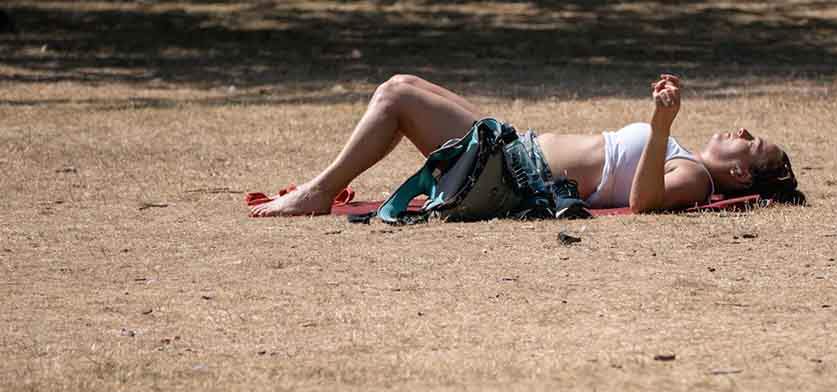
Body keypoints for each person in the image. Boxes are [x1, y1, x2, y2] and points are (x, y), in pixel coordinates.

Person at [249, 73, 800, 217]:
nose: (743, 133)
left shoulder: (697, 180)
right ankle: (325, 185)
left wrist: (659, 128)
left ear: (743, 178)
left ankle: (319, 192)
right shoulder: (682, 156)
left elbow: (642, 204)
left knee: (397, 94)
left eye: (753, 146)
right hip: (511, 153)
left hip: (511, 176)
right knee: (402, 89)